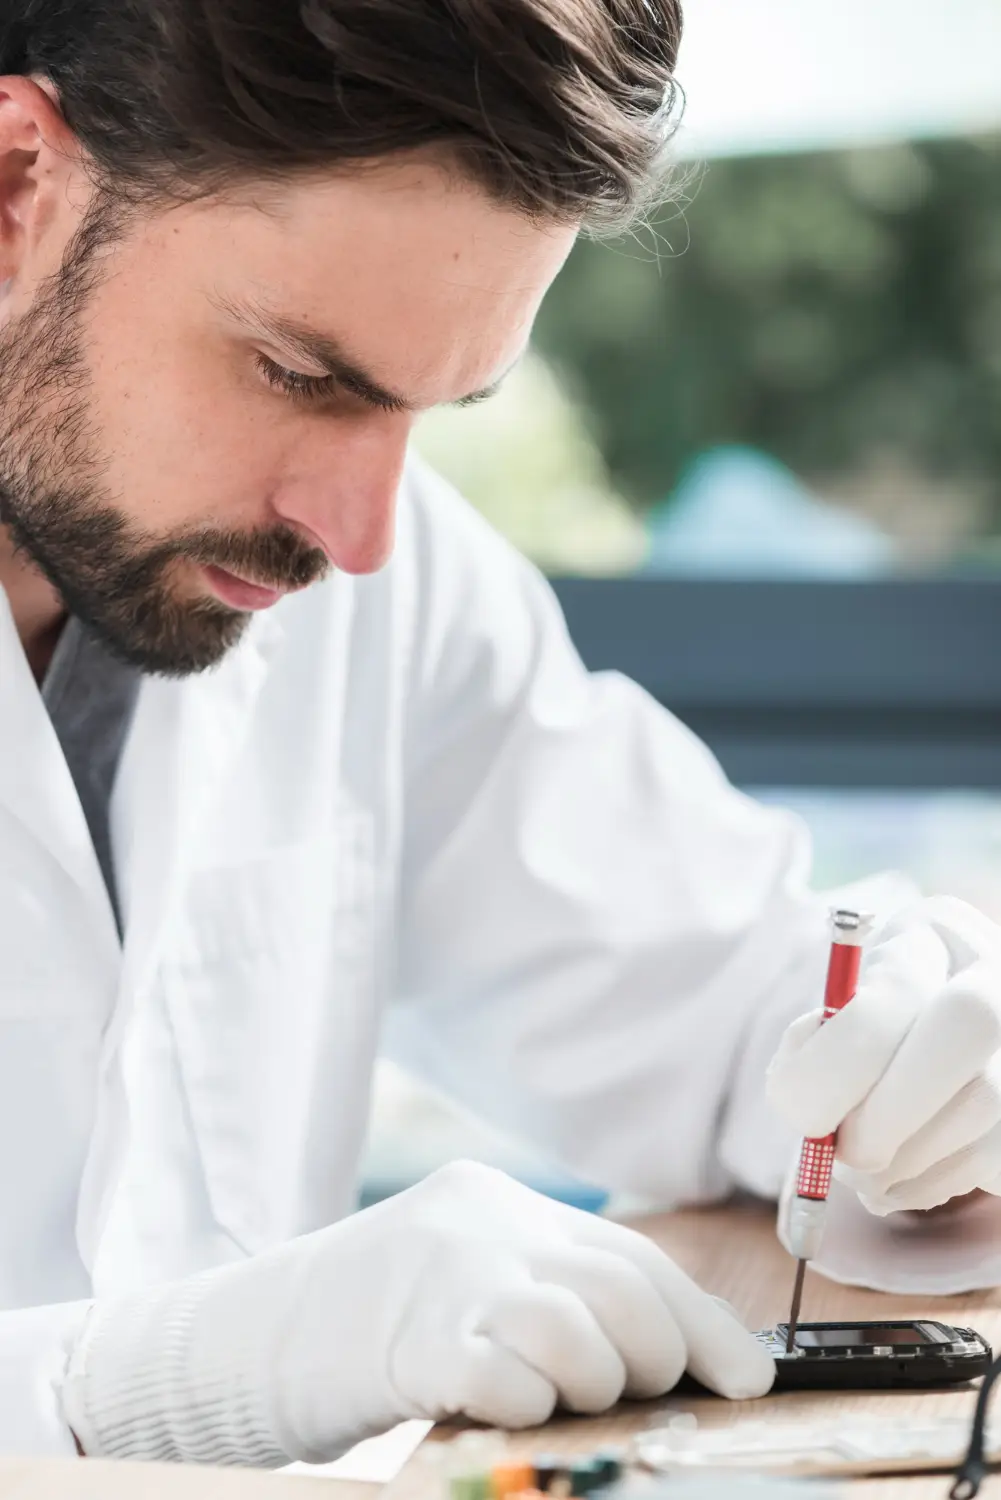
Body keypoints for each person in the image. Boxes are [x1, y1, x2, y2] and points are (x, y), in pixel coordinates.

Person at [2, 0, 1000, 1469]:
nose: (357, 535)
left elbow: (724, 1009)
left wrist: (913, 1062)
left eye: (436, 406)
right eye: (299, 373)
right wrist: (120, 1387)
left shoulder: (383, 592)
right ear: (20, 183)